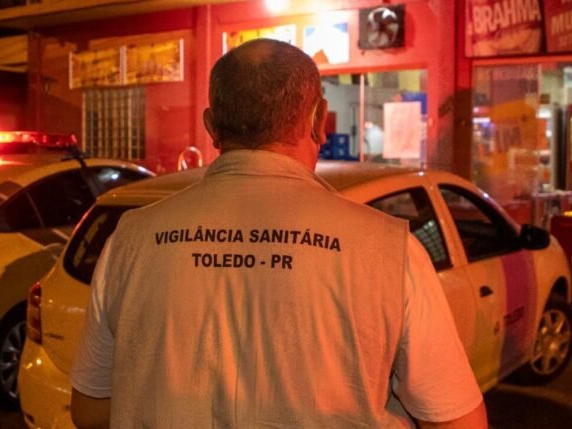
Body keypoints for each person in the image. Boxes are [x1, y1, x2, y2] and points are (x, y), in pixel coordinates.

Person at [69, 38, 487, 429]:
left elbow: (89, 410)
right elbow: (457, 421)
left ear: (212, 126)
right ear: (319, 120)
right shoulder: (390, 250)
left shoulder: (129, 240)